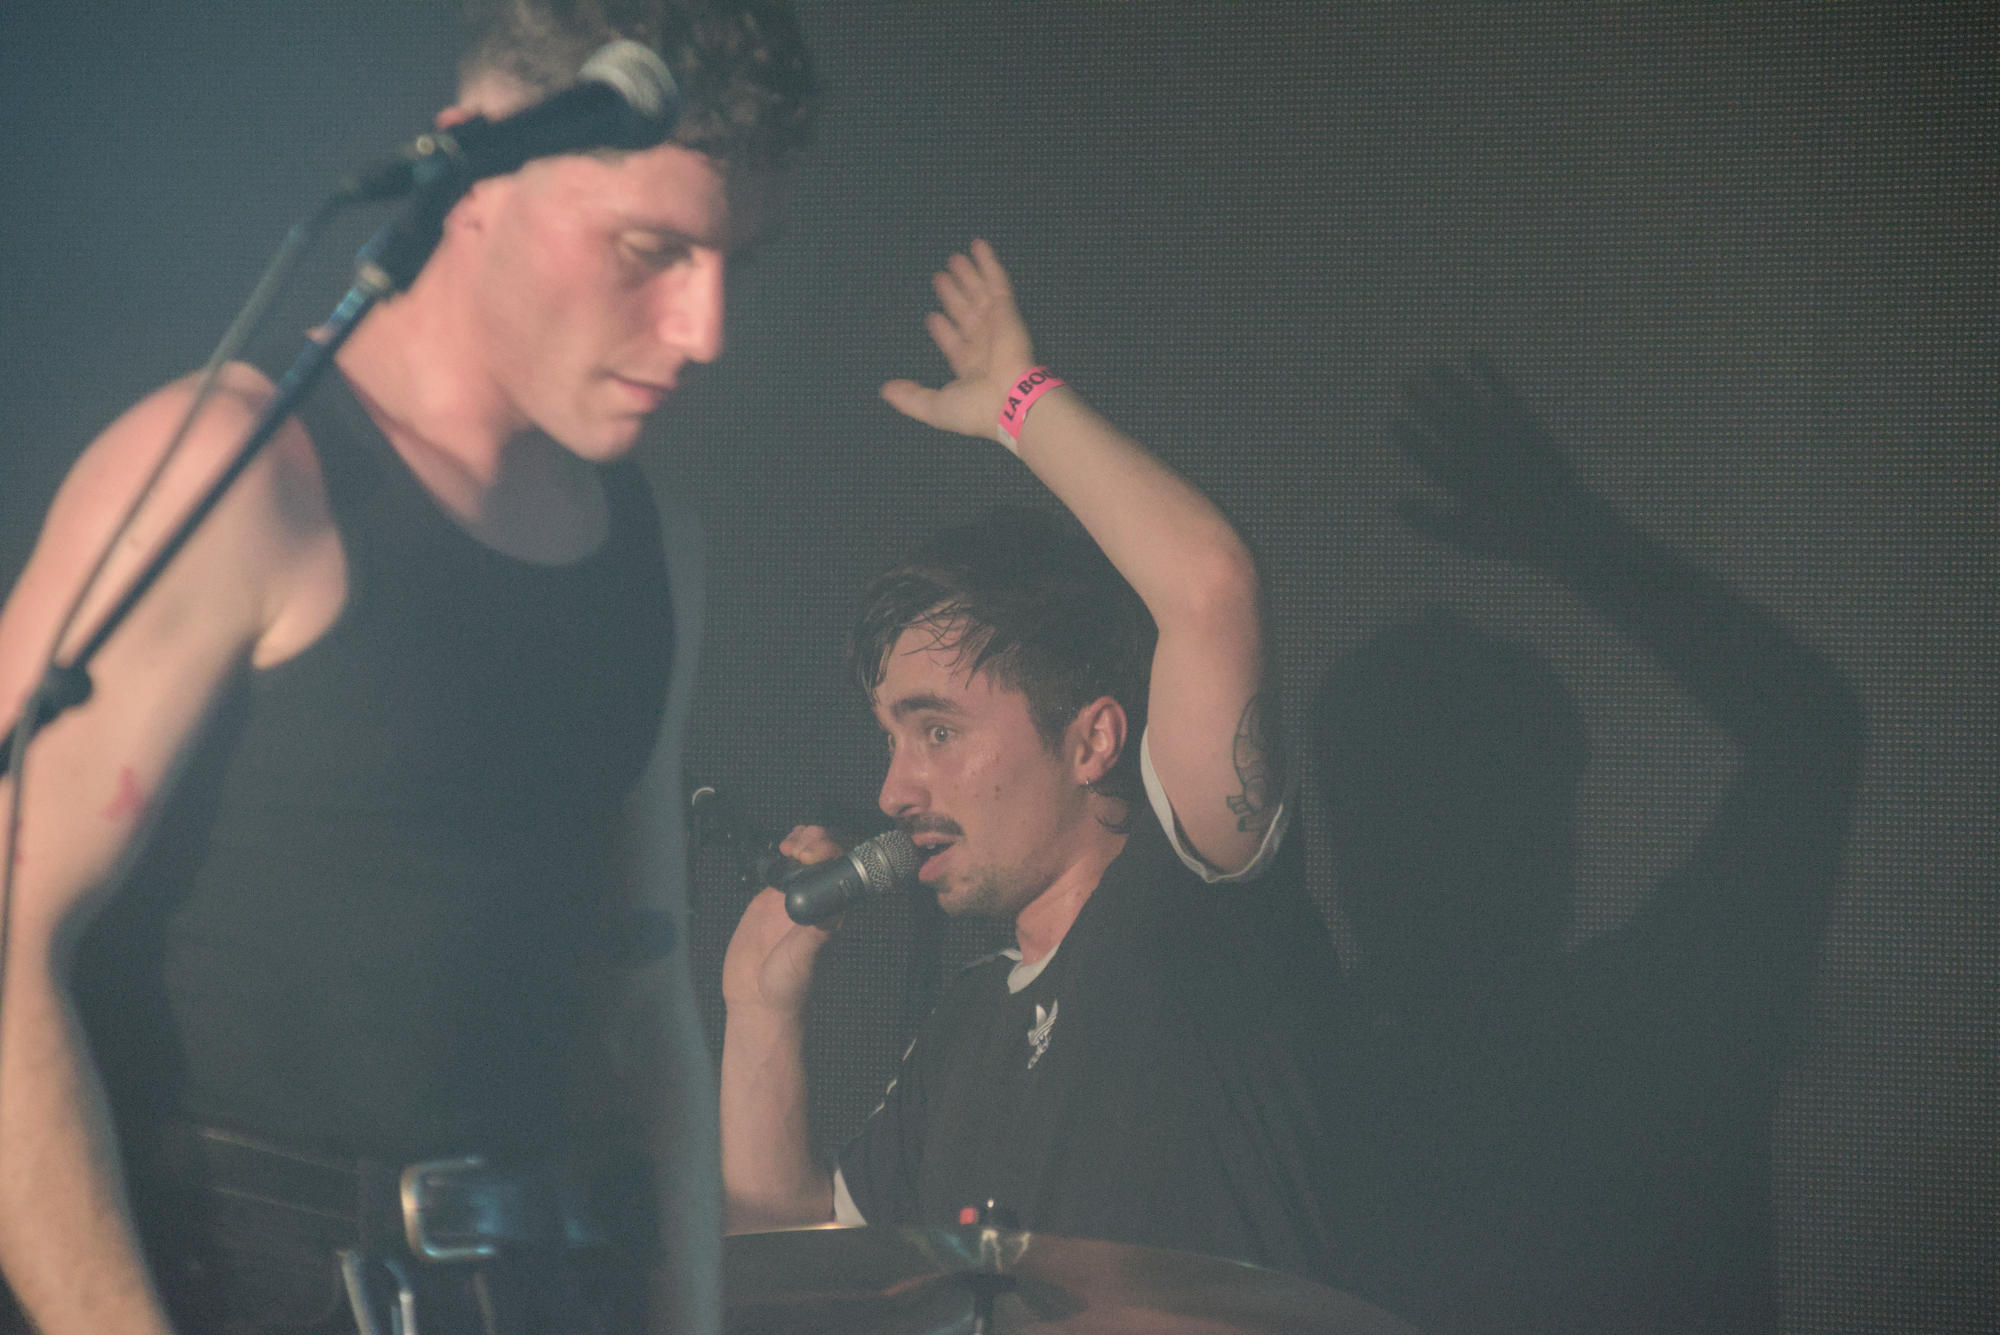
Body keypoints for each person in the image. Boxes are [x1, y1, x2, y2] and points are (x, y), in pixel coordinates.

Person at [0, 4, 812, 1332]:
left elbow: (642, 988)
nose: (704, 324)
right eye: (649, 250)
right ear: (473, 170)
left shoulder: (655, 547)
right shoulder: (232, 476)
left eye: (736, 261)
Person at [718, 241, 1344, 1281]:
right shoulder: (963, 1027)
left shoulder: (1190, 907)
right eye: (891, 739)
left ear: (1093, 739)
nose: (893, 789)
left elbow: (1210, 591)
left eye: (937, 732)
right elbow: (791, 1271)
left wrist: (1019, 403)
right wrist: (759, 1005)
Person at [1310, 359, 1863, 1332]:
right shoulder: (1668, 1025)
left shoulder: (1306, 1088)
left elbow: (1814, 734)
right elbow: (1810, 732)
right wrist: (1576, 539)